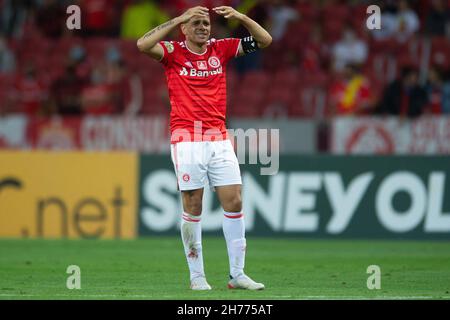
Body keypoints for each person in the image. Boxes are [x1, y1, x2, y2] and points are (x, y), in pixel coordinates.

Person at [137, 5, 272, 290]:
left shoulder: (220, 49)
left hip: (218, 137)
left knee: (234, 201)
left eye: (206, 23)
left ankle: (237, 274)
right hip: (187, 139)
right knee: (193, 204)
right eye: (196, 23)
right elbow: (142, 44)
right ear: (184, 28)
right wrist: (179, 18)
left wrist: (241, 18)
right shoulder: (173, 52)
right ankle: (197, 276)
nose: (202, 27)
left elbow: (264, 40)